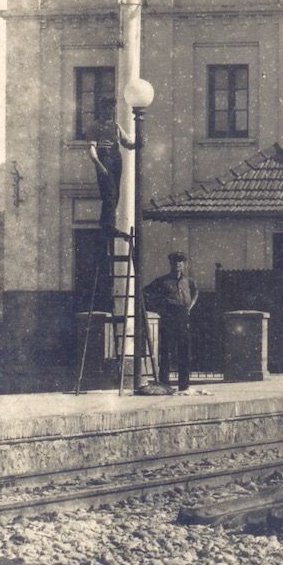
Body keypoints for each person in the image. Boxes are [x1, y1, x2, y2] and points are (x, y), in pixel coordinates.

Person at [144, 252, 199, 393]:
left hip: (183, 315)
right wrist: (158, 309)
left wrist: (190, 307)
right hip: (168, 315)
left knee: (184, 350)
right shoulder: (162, 281)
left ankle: (184, 385)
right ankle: (164, 383)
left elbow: (195, 293)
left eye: (180, 262)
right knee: (166, 350)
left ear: (184, 264)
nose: (177, 264)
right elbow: (146, 293)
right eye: (175, 262)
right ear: (170, 264)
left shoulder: (189, 281)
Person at [86, 96, 134, 239]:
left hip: (116, 160)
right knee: (109, 193)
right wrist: (99, 164)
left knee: (116, 194)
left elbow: (127, 143)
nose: (109, 111)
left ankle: (108, 224)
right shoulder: (95, 126)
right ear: (101, 109)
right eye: (106, 108)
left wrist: (138, 143)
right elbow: (91, 148)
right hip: (104, 159)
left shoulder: (116, 126)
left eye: (111, 108)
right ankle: (107, 225)